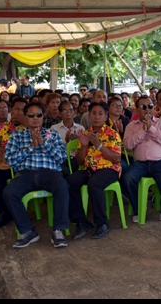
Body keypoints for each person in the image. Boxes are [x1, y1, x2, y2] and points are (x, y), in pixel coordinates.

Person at [3, 101, 69, 248]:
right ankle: (27, 231)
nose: (35, 118)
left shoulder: (52, 134)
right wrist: (31, 147)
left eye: (38, 114)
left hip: (49, 173)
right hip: (25, 174)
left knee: (62, 186)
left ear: (43, 116)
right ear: (25, 118)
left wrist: (43, 144)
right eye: (31, 115)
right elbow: (11, 160)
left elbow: (61, 158)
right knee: (9, 192)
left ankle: (58, 230)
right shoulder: (17, 136)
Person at [67, 102, 122, 240]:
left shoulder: (112, 134)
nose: (97, 117)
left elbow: (116, 159)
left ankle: (102, 223)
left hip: (109, 169)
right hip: (89, 169)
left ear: (106, 116)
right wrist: (84, 146)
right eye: (94, 113)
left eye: (100, 113)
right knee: (70, 181)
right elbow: (79, 162)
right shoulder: (85, 134)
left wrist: (99, 145)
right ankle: (81, 222)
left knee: (94, 184)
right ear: (89, 116)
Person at [122, 95, 161, 222]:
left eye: (150, 106)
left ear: (154, 108)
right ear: (137, 110)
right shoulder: (131, 126)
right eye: (143, 107)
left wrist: (151, 128)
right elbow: (128, 145)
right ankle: (138, 208)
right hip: (141, 163)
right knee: (127, 178)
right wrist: (142, 130)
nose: (147, 109)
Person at [0, 98, 27, 228]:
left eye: (23, 110)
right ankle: (3, 211)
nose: (19, 112)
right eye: (17, 109)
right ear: (11, 110)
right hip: (6, 166)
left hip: (27, 167)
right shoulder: (0, 129)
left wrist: (26, 123)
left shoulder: (32, 127)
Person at [50, 101, 85, 176]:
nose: (68, 113)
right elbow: (52, 148)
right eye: (65, 110)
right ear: (59, 113)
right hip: (62, 160)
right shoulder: (54, 128)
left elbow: (85, 147)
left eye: (71, 110)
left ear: (74, 112)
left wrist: (78, 141)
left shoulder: (80, 128)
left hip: (76, 160)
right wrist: (65, 140)